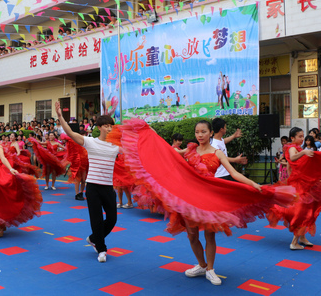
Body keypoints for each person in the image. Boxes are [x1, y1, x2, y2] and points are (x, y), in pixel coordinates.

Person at [107, 118, 296, 285]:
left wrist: (253, 183)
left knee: (210, 235)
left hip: (208, 196)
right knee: (191, 234)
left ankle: (211, 270)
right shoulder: (189, 150)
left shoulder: (217, 153)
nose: (200, 135)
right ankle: (202, 265)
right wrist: (151, 134)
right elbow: (168, 153)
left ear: (211, 133)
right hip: (189, 197)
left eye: (203, 132)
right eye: (197, 132)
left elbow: (234, 173)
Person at [55, 101, 120, 263]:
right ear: (99, 127)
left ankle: (93, 238)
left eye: (110, 126)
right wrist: (60, 117)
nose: (109, 128)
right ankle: (101, 249)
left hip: (108, 187)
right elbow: (70, 133)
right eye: (105, 126)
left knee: (112, 219)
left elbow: (136, 147)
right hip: (93, 187)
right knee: (96, 219)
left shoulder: (116, 146)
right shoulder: (91, 142)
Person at [268, 127, 321, 250]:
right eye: (300, 137)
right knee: (303, 210)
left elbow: (292, 167)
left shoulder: (298, 148)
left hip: (303, 182)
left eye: (303, 136)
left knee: (310, 208)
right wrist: (303, 153)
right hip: (301, 185)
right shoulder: (292, 148)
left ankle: (302, 237)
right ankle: (294, 241)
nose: (302, 139)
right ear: (292, 138)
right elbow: (293, 158)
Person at [62, 133, 88, 200]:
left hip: (85, 163)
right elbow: (65, 138)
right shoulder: (74, 142)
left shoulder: (85, 143)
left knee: (83, 179)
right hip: (77, 163)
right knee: (78, 179)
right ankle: (77, 194)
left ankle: (81, 193)